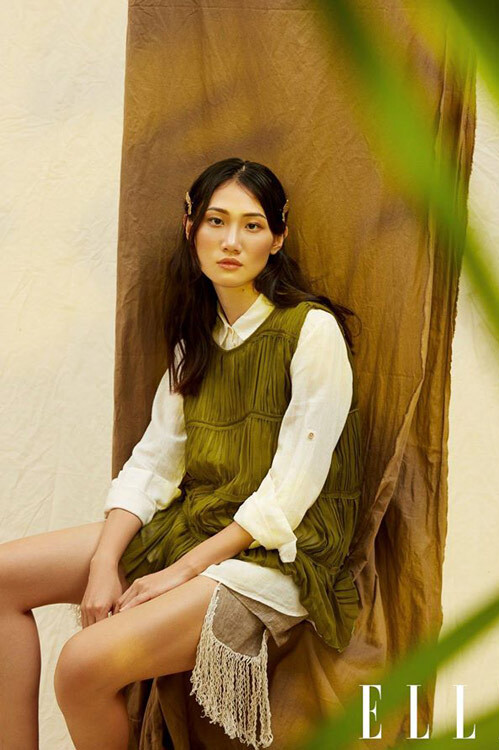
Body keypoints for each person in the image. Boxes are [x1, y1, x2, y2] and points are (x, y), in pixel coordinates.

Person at [0, 157, 363, 750]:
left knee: (82, 665)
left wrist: (179, 572)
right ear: (191, 227)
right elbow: (154, 463)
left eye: (252, 225)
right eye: (216, 221)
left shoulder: (311, 330)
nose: (231, 241)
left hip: (275, 555)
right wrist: (103, 563)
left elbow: (289, 493)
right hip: (196, 522)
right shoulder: (197, 335)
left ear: (278, 238)